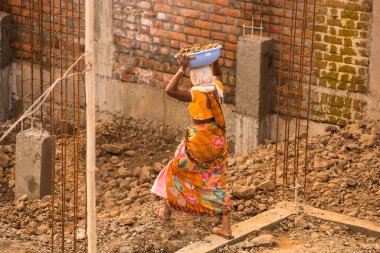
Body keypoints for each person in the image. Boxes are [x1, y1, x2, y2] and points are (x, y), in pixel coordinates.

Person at [151, 54, 233, 239]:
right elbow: (218, 76)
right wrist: (216, 61)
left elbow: (170, 90)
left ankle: (165, 210)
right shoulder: (217, 90)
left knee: (173, 170)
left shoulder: (196, 94)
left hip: (197, 144)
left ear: (195, 77)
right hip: (216, 143)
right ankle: (226, 228)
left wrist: (182, 68)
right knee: (217, 180)